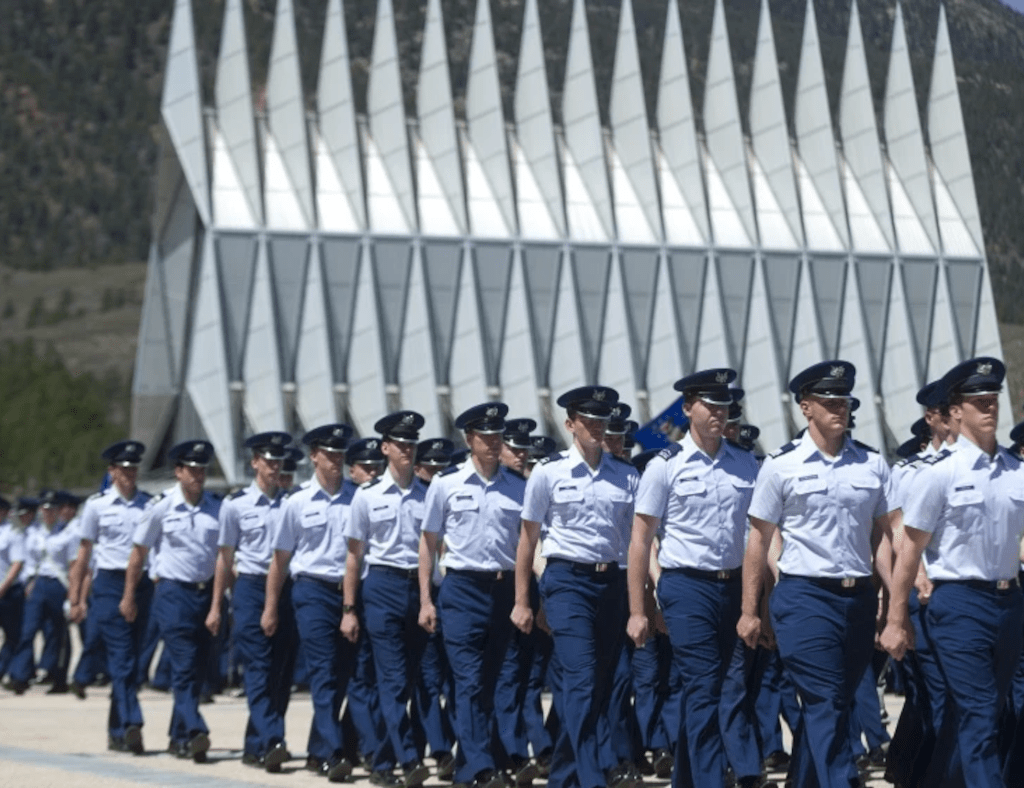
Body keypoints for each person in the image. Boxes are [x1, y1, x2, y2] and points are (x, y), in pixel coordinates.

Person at [737, 360, 898, 788]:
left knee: (834, 703)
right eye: (828, 401)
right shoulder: (780, 465)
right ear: (805, 407)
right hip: (804, 597)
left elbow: (883, 538)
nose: (838, 409)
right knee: (826, 700)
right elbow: (758, 538)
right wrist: (751, 609)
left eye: (843, 401)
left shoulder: (871, 463)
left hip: (858, 598)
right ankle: (844, 781)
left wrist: (894, 600)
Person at [882, 357, 1024, 788]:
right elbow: (909, 551)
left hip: (1009, 601)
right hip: (958, 605)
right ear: (956, 411)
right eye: (979, 401)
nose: (990, 408)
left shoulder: (1017, 472)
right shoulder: (939, 475)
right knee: (980, 713)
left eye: (993, 400)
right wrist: (895, 617)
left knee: (987, 713)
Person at [626, 369, 761, 788]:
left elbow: (760, 535)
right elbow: (640, 539)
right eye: (710, 404)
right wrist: (639, 609)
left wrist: (761, 601)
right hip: (686, 587)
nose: (720, 413)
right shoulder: (665, 466)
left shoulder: (746, 462)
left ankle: (688, 778)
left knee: (734, 684)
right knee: (704, 687)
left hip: (737, 584)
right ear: (688, 408)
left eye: (724, 405)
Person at [511, 386, 640, 788]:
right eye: (589, 421)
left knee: (600, 684)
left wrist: (641, 605)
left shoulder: (627, 475)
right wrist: (522, 601)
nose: (598, 428)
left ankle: (564, 773)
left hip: (613, 583)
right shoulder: (548, 473)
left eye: (603, 420)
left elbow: (638, 544)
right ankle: (591, 777)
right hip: (567, 582)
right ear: (571, 425)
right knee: (581, 680)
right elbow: (528, 539)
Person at [420, 403, 532, 788]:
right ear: (469, 439)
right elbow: (428, 541)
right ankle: (482, 766)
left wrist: (522, 600)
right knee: (467, 681)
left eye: (498, 436)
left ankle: (471, 765)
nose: (493, 443)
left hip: (502, 591)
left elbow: (526, 547)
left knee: (492, 681)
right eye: (485, 437)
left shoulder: (518, 486)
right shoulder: (446, 483)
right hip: (462, 589)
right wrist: (425, 599)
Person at [343, 411, 432, 788]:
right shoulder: (367, 496)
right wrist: (349, 608)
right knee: (392, 679)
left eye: (412, 444)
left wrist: (428, 599)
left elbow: (434, 549)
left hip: (418, 587)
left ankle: (382, 761)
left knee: (407, 681)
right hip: (381, 585)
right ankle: (409, 759)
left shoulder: (430, 494)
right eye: (400, 444)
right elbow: (353, 555)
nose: (407, 450)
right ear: (385, 448)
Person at [265, 423, 355, 782]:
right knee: (322, 672)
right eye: (329, 454)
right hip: (312, 591)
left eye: (340, 454)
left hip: (349, 594)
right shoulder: (297, 502)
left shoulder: (358, 497)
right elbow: (280, 560)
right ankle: (334, 752)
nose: (336, 460)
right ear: (314, 456)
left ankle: (318, 750)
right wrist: (271, 606)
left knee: (343, 676)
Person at [122, 440, 221, 762]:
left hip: (206, 595)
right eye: (192, 470)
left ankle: (178, 738)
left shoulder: (217, 507)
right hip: (172, 593)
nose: (198, 475)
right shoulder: (161, 506)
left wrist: (220, 601)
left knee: (197, 666)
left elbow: (223, 557)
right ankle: (196, 729)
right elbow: (138, 555)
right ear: (178, 471)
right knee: (183, 665)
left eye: (202, 470)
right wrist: (129, 596)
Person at [208, 431, 294, 772]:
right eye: (268, 461)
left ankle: (253, 745)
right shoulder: (235, 505)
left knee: (280, 672)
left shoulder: (291, 502)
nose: (274, 467)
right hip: (250, 588)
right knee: (257, 668)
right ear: (255, 462)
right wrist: (218, 604)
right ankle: (274, 739)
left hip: (287, 588)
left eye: (278, 462)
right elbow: (224, 558)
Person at [67, 441, 152, 753]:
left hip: (142, 584)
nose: (129, 474)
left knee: (134, 659)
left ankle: (117, 732)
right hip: (109, 585)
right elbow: (84, 554)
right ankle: (132, 722)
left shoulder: (148, 504)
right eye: (123, 469)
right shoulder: (96, 505)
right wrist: (76, 599)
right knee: (122, 657)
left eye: (133, 468)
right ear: (112, 471)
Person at [8, 489, 79, 693]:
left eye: (53, 509)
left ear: (58, 511)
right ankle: (19, 676)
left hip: (59, 584)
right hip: (38, 584)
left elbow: (73, 565)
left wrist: (72, 595)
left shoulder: (67, 533)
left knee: (58, 633)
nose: (49, 513)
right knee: (28, 630)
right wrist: (28, 583)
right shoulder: (33, 533)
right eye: (45, 509)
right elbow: (29, 562)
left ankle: (59, 678)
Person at [0, 495, 26, 683]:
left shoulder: (12, 533)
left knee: (13, 635)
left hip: (7, 592)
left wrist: (3, 587)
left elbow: (17, 563)